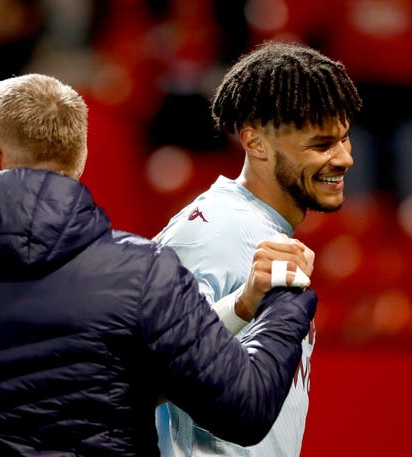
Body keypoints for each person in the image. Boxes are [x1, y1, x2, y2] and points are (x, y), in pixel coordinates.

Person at [0, 73, 319, 456]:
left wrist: (241, 305)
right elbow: (244, 409)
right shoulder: (143, 273)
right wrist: (284, 295)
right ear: (78, 161)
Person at [154, 40, 362, 457]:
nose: (345, 159)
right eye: (322, 145)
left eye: (344, 140)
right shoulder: (215, 232)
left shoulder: (258, 229)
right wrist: (242, 303)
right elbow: (146, 369)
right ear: (256, 143)